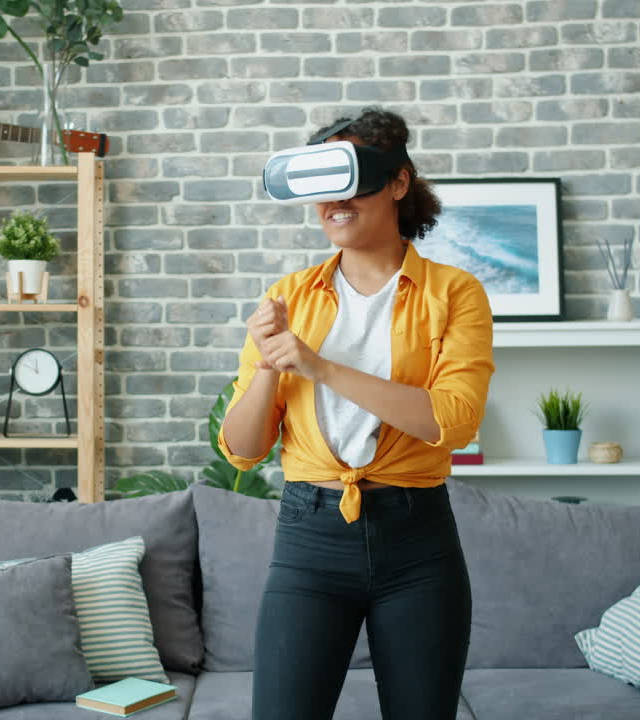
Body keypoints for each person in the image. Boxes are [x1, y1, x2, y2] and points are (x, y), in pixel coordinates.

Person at [218, 107, 495, 720]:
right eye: (322, 189)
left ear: (398, 182)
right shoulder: (287, 297)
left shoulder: (454, 294)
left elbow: (454, 421)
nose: (334, 203)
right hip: (309, 539)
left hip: (417, 543)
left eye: (352, 182)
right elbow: (241, 448)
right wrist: (268, 365)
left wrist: (319, 366)